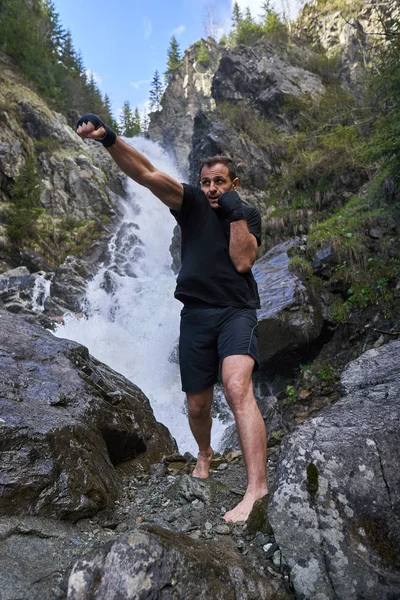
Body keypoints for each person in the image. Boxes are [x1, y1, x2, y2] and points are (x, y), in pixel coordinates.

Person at [76, 114, 268, 522]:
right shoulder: (192, 204)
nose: (212, 188)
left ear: (234, 184)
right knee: (197, 406)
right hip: (195, 314)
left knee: (236, 386)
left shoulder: (248, 215)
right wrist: (108, 137)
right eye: (207, 181)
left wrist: (233, 211)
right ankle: (204, 452)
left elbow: (242, 260)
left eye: (220, 182)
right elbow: (145, 173)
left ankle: (256, 489)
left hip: (236, 311)